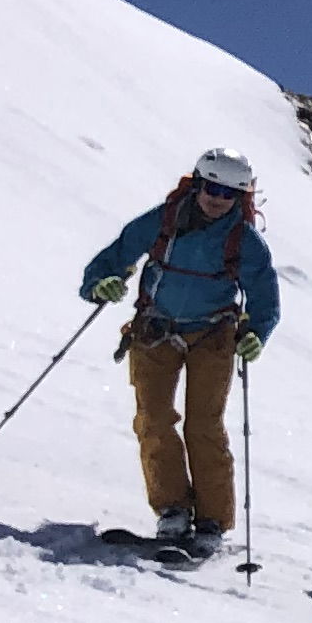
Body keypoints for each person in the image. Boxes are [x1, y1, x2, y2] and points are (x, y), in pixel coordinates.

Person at [80, 147, 280, 543]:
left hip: (213, 336)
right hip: (155, 328)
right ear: (197, 183)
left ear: (240, 198)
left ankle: (212, 520)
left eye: (228, 194)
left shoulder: (245, 241)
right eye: (211, 188)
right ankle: (171, 508)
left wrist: (257, 332)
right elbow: (117, 255)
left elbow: (265, 296)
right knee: (153, 419)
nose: (217, 199)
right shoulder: (164, 221)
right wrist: (99, 283)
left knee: (204, 426)